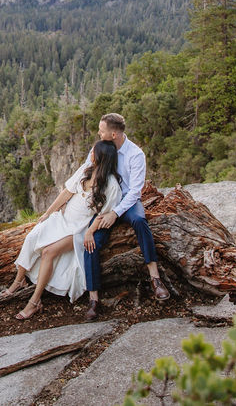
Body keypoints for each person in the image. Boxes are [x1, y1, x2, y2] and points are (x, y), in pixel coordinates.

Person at [0, 140, 123, 320]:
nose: (90, 154)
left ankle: (34, 302)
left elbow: (104, 215)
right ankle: (18, 281)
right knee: (33, 237)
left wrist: (90, 232)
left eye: (93, 152)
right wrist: (48, 214)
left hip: (78, 229)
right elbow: (66, 193)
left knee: (48, 252)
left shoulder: (111, 185)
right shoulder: (85, 171)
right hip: (62, 219)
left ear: (101, 157)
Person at [83, 113, 169, 321]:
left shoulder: (135, 154)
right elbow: (87, 171)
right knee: (91, 241)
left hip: (127, 204)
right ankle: (94, 298)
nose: (98, 133)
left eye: (101, 130)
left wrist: (116, 213)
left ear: (113, 134)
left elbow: (135, 192)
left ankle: (155, 278)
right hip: (105, 204)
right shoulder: (100, 148)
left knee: (140, 221)